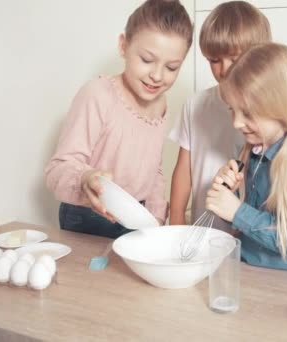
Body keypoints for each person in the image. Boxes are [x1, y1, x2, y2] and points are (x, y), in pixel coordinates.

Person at [44, 0, 193, 239]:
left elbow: (153, 168)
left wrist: (155, 218)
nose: (157, 76)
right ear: (123, 46)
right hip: (88, 217)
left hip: (136, 217)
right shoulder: (97, 94)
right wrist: (85, 178)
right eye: (146, 60)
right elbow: (58, 169)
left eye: (172, 67)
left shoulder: (161, 104)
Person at [206, 42, 287, 276]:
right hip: (256, 276)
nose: (236, 123)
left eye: (247, 112)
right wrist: (231, 193)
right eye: (232, 110)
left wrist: (237, 212)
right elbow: (256, 223)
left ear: (278, 106)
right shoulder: (256, 151)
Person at [168, 1, 271, 231]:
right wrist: (175, 223)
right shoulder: (195, 105)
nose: (224, 69)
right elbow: (183, 171)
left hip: (250, 237)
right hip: (202, 231)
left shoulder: (268, 115)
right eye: (214, 60)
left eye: (235, 59)